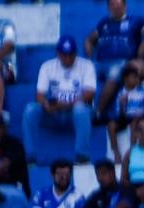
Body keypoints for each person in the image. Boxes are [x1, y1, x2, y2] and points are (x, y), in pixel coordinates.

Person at [24, 36, 96, 165]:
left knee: (80, 109)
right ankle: (30, 157)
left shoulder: (87, 65)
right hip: (54, 113)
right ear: (58, 53)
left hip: (76, 114)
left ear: (76, 53)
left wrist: (65, 105)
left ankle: (82, 156)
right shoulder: (47, 66)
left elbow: (89, 95)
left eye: (70, 55)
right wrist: (46, 104)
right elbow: (39, 95)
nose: (67, 58)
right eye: (64, 55)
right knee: (31, 109)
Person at [86, 0, 144, 119]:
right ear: (108, 7)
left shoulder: (137, 21)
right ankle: (79, 109)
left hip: (122, 62)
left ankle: (97, 112)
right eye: (112, 5)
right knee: (83, 72)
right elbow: (89, 40)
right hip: (100, 62)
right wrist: (89, 59)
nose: (115, 7)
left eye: (118, 4)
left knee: (114, 72)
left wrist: (139, 59)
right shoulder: (104, 22)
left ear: (125, 6)